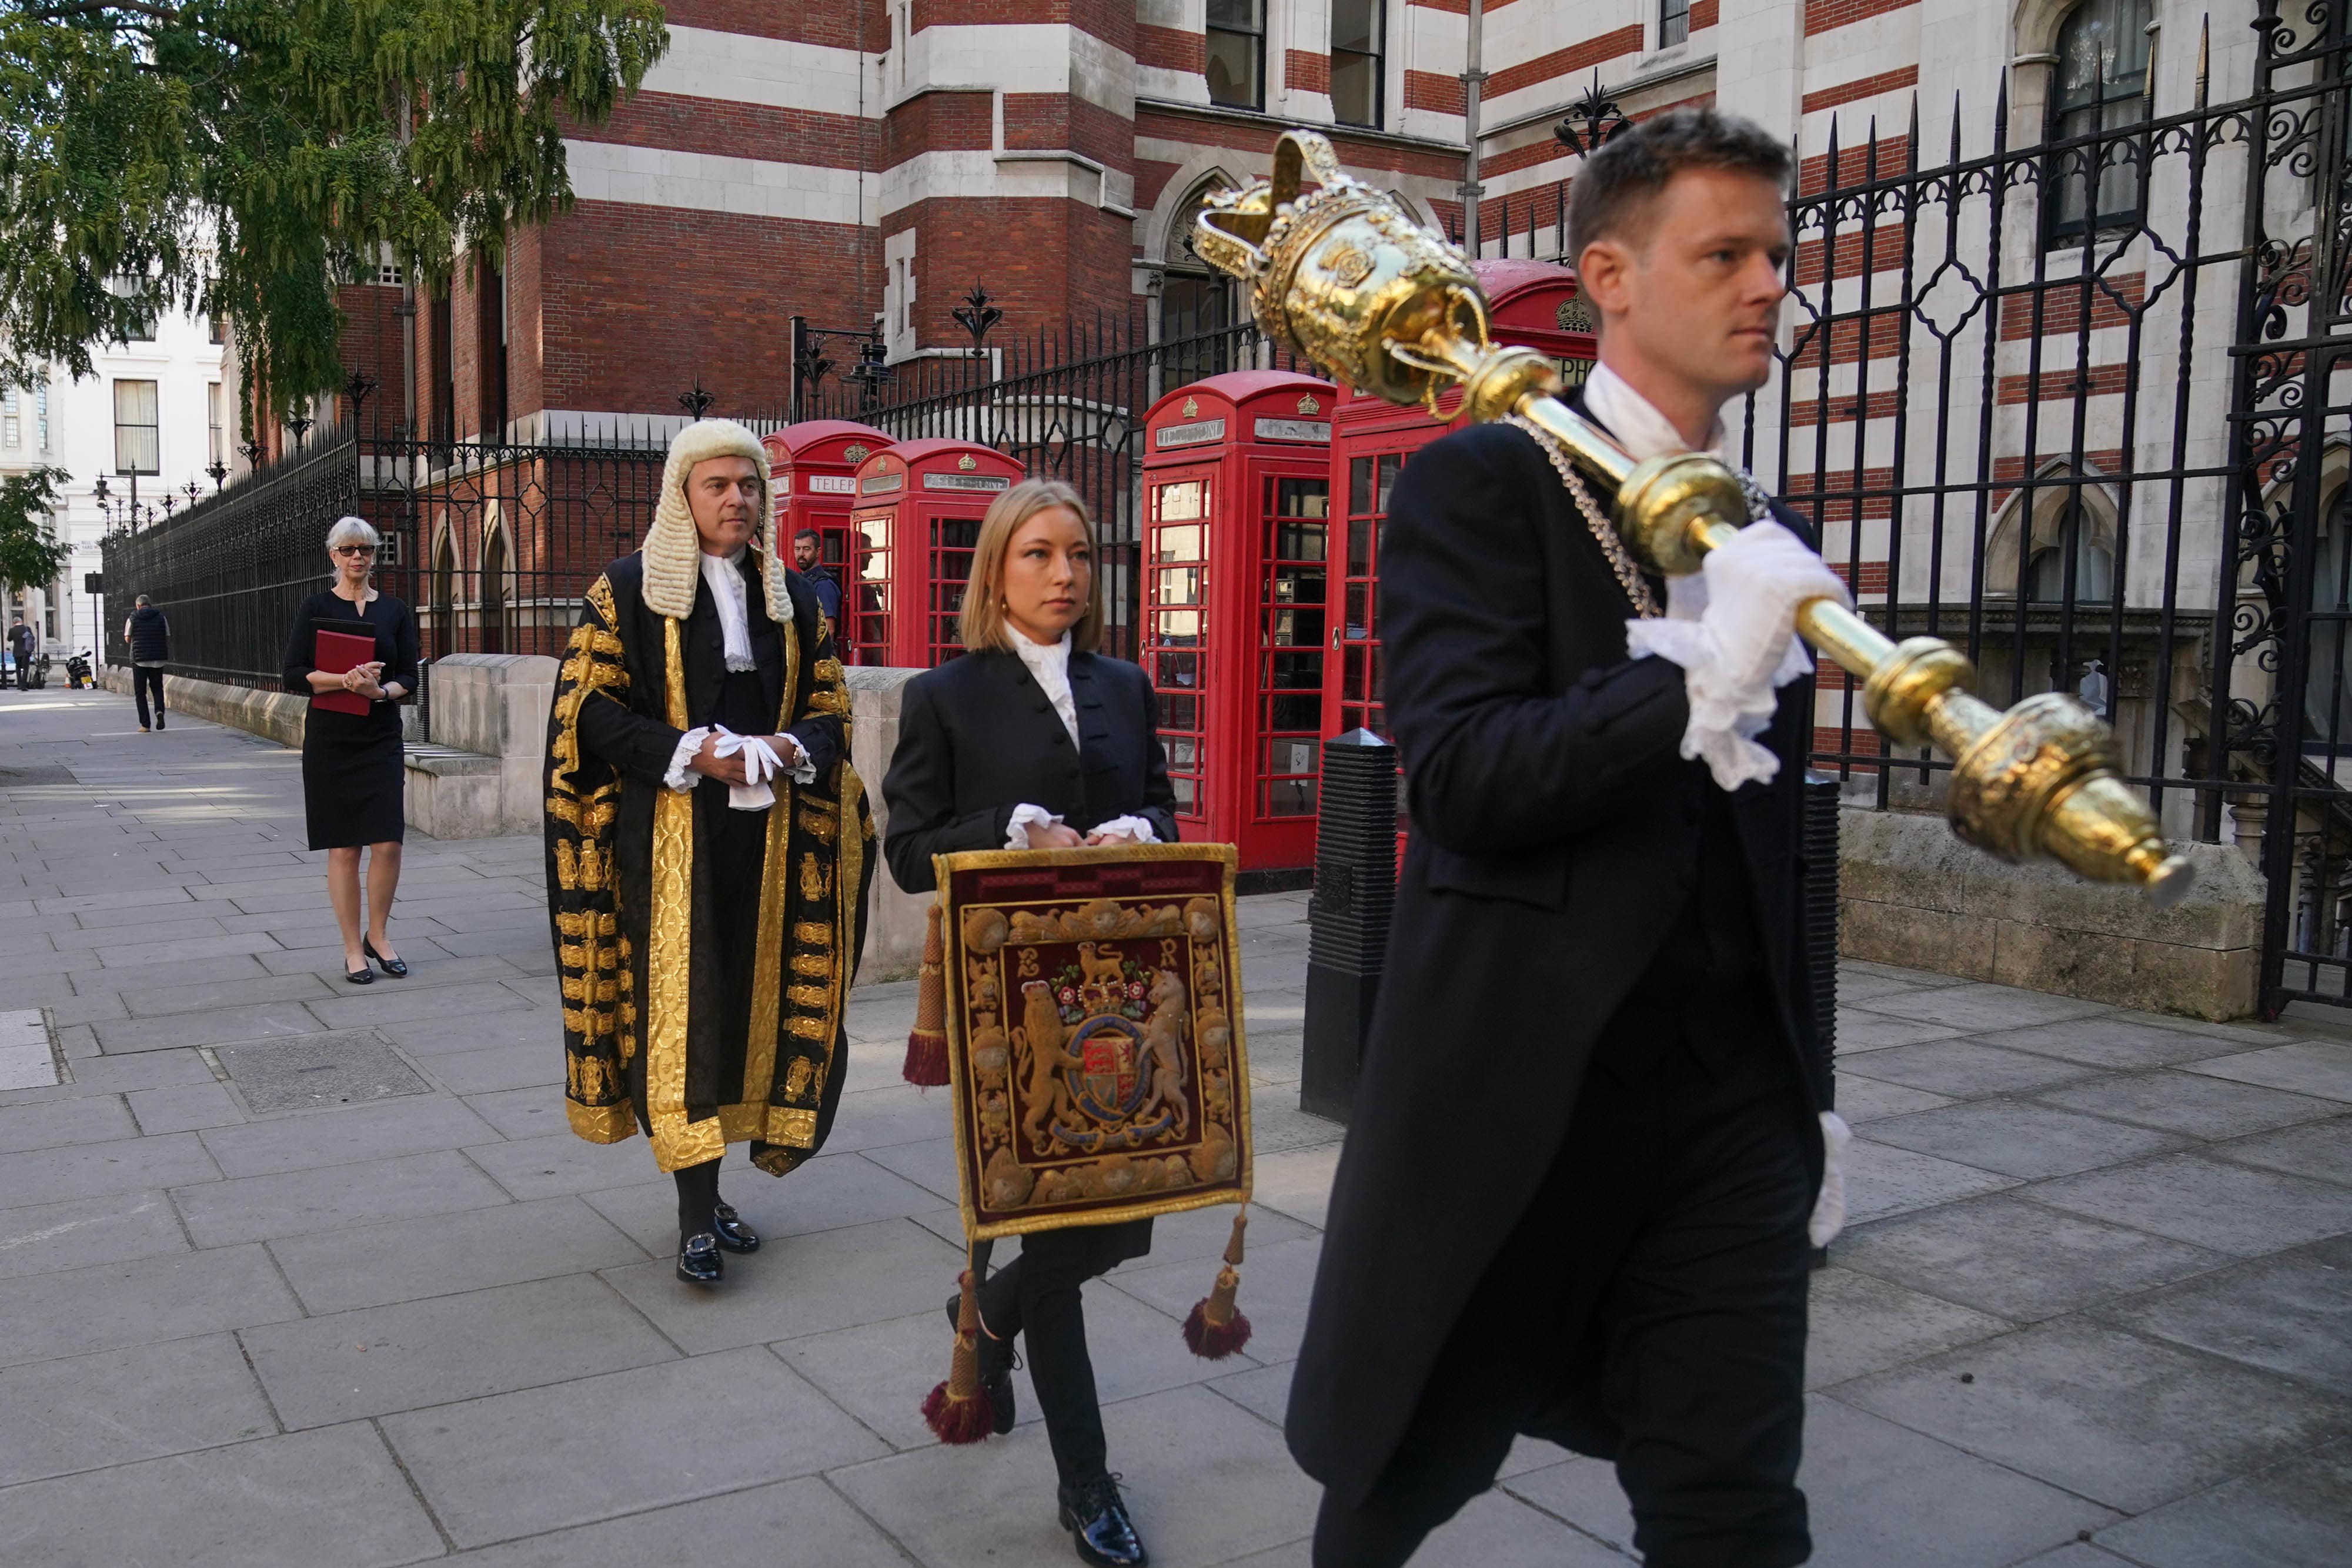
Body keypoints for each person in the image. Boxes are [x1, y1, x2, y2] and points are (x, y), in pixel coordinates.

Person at [1286, 109, 1848, 1568]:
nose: (1763, 286)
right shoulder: (1484, 486)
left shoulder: (1757, 531)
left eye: (1775, 255)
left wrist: (1810, 1094)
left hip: (1728, 1111)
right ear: (1607, 273)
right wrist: (1686, 680)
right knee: (1397, 1479)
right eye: (1722, 252)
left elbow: (1775, 852)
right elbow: (1464, 778)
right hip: (1522, 1104)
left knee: (1733, 1508)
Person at [882, 477, 1178, 1568]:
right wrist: (1007, 830)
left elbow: (1165, 810)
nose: (1065, 575)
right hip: (1016, 1011)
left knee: (1127, 1221)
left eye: (1080, 555)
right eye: (1040, 555)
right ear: (997, 570)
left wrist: (1140, 828)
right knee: (1061, 1226)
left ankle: (987, 1306)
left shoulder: (1129, 683)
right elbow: (908, 847)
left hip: (1135, 1008)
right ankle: (1086, 1483)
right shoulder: (947, 695)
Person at [543, 418, 873, 1289]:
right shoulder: (623, 592)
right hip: (670, 845)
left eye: (749, 485)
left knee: (750, 1013)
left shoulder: (796, 599)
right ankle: (696, 1213)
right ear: (682, 496)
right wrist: (695, 750)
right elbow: (587, 714)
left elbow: (835, 711)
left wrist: (786, 748)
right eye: (718, 485)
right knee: (684, 1019)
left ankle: (717, 1190)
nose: (737, 499)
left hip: (773, 849)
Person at [283, 517, 418, 987]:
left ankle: (377, 935)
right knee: (344, 846)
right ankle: (350, 948)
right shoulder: (316, 607)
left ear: (374, 556)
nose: (357, 556)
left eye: (365, 549)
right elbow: (294, 673)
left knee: (387, 841)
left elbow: (410, 676)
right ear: (333, 556)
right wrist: (344, 681)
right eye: (348, 549)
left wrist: (379, 693)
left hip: (379, 734)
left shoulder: (395, 610)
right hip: (331, 738)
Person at [123, 593, 170, 731]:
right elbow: (167, 637)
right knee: (157, 688)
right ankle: (159, 711)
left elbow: (127, 638)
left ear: (138, 606)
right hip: (158, 660)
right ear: (150, 605)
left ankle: (145, 724)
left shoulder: (133, 618)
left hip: (140, 661)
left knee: (140, 692)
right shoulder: (162, 617)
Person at [792, 527, 842, 640]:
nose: (801, 554)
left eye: (806, 549)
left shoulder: (824, 585)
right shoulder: (799, 580)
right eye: (797, 549)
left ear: (818, 552)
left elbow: (829, 630)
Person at [7, 617, 32, 690]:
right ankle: (24, 686)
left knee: (18, 668)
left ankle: (19, 685)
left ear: (14, 623)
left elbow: (9, 639)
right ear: (21, 621)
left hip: (16, 652)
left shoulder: (12, 630)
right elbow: (32, 638)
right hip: (26, 651)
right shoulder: (27, 629)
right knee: (25, 669)